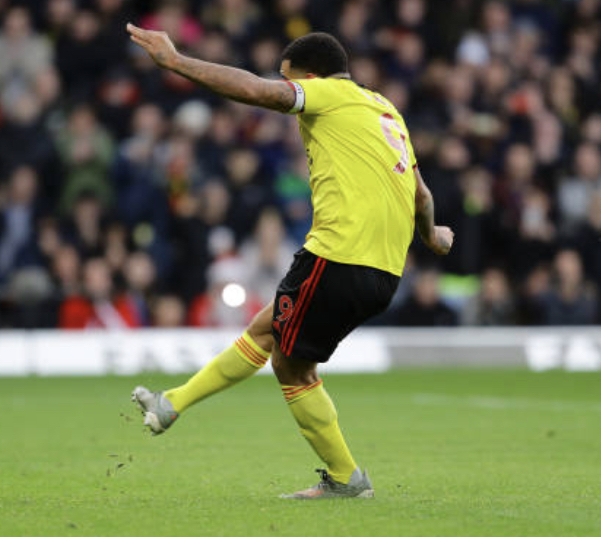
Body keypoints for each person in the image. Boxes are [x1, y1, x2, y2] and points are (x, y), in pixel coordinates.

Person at [127, 25, 453, 499]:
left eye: (290, 77)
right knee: (268, 330)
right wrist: (432, 236)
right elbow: (421, 194)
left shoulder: (326, 94)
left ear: (312, 75)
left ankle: (346, 479)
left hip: (337, 255)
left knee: (290, 367)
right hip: (385, 272)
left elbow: (259, 93)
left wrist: (177, 62)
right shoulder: (386, 109)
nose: (286, 84)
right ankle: (171, 404)